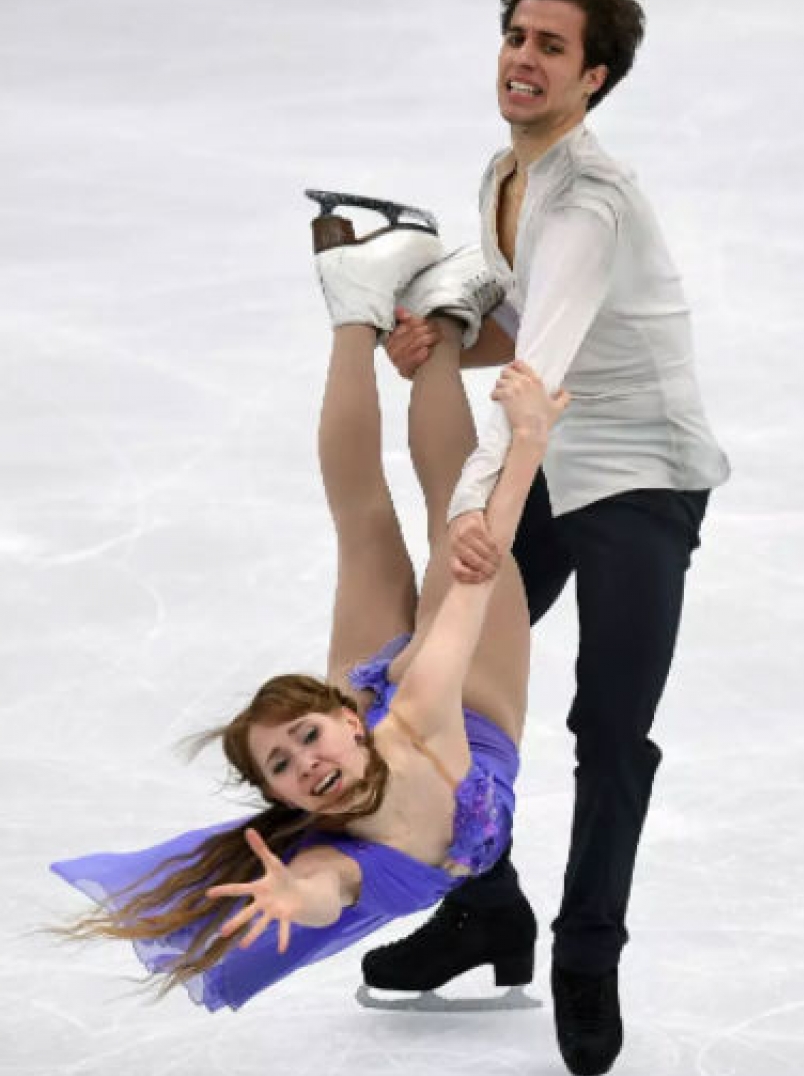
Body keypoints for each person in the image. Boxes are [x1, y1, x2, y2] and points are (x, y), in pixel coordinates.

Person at [51, 200, 568, 1013]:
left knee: (410, 515)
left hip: (456, 715)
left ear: (342, 716)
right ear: (284, 803)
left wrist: (529, 445)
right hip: (446, 728)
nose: (305, 765)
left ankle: (371, 310)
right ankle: (414, 306)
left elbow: (477, 562)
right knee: (411, 520)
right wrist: (298, 898)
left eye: (301, 738)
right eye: (284, 769)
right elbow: (327, 886)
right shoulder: (331, 850)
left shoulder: (419, 708)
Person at [361, 0, 731, 1076]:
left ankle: (586, 950)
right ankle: (488, 908)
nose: (524, 59)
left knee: (607, 728)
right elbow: (508, 310)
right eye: (518, 36)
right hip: (553, 449)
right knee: (458, 680)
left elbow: (545, 373)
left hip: (638, 472)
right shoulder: (506, 173)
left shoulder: (592, 202)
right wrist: (442, 324)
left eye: (551, 47)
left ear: (595, 77)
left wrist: (477, 513)